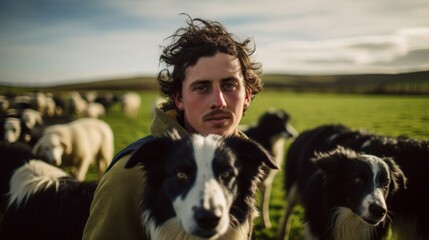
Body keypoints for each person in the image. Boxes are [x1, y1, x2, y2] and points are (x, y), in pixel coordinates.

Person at [82, 14, 263, 240]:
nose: (219, 101)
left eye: (229, 85)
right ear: (179, 98)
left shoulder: (244, 163)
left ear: (247, 95)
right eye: (202, 87)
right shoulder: (130, 174)